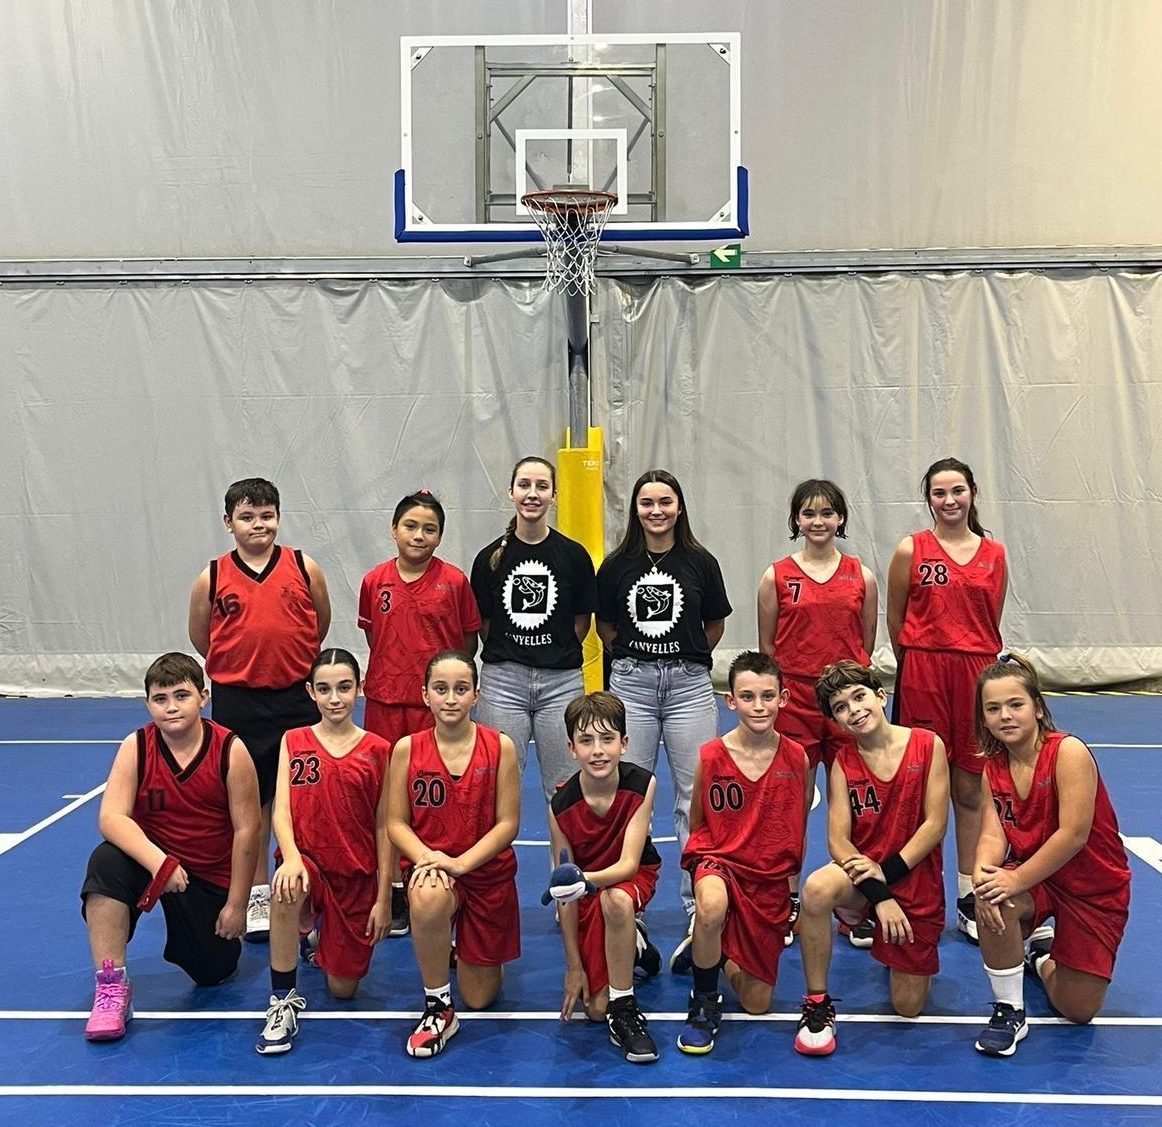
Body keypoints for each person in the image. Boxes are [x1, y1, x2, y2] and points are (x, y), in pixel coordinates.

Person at [79, 653, 260, 1041]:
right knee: (105, 862)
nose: (171, 707)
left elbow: (248, 831)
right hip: (154, 864)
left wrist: (237, 905)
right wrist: (160, 863)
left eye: (181, 695)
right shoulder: (137, 746)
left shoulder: (230, 749)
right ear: (148, 704)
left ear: (203, 697)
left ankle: (208, 939)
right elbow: (111, 817)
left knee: (213, 972)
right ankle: (111, 986)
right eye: (160, 699)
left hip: (207, 877)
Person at [595, 469, 731, 958]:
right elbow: (606, 625)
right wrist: (637, 661)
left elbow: (713, 623)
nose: (656, 511)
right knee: (630, 796)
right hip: (632, 683)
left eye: (665, 502)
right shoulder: (617, 565)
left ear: (679, 507)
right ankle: (629, 908)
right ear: (635, 509)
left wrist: (683, 657)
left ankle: (699, 909)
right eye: (647, 503)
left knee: (695, 796)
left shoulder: (701, 562)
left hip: (689, 687)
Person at [188, 477, 331, 942]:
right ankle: (255, 894)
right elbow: (201, 636)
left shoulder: (304, 567)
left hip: (295, 698)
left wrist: (289, 661)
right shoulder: (212, 576)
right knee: (250, 804)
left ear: (279, 518)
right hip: (239, 702)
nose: (258, 525)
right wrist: (239, 666)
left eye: (266, 516)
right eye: (247, 517)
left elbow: (320, 623)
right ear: (228, 522)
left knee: (302, 798)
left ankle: (304, 890)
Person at [972, 654, 1131, 1057]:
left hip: (1092, 886)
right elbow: (991, 831)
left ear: (1038, 708)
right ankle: (1009, 1010)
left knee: (1077, 1010)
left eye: (1015, 704)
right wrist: (983, 874)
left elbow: (1073, 835)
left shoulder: (1068, 752)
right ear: (984, 719)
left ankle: (1040, 954)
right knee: (992, 897)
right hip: (1038, 879)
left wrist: (1013, 878)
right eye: (993, 708)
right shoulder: (993, 768)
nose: (1005, 716)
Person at [794, 660, 948, 1057]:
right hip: (865, 881)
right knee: (816, 889)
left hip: (913, 877)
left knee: (908, 1007)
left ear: (881, 696)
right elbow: (838, 841)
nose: (854, 710)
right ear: (836, 721)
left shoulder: (928, 745)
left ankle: (903, 950)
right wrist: (880, 894)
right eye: (841, 707)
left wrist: (887, 874)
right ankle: (817, 1002)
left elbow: (934, 825)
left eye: (859, 696)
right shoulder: (844, 763)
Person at [887, 456, 1006, 943]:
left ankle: (969, 893)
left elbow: (990, 619)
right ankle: (915, 890)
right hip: (923, 671)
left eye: (958, 490)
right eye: (939, 492)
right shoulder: (910, 549)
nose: (949, 500)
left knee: (971, 788)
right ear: (929, 498)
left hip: (976, 674)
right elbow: (896, 619)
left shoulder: (994, 553)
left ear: (973, 493)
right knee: (921, 785)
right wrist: (917, 662)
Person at [757, 478, 878, 947]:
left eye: (827, 512)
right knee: (792, 803)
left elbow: (864, 645)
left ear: (840, 518)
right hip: (798, 705)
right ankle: (787, 898)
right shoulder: (776, 577)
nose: (818, 521)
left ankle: (855, 899)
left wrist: (850, 694)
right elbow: (768, 649)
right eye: (809, 513)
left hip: (847, 705)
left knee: (857, 804)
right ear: (796, 520)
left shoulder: (861, 576)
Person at [255, 649, 393, 1055]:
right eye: (325, 689)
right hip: (307, 863)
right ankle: (282, 1000)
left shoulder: (379, 749)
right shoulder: (293, 740)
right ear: (310, 692)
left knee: (343, 989)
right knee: (286, 887)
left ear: (359, 689)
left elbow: (385, 826)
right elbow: (281, 810)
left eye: (344, 688)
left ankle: (317, 934)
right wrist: (290, 856)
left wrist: (385, 896)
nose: (335, 699)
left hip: (356, 875)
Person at [674, 652, 810, 1055]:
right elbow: (698, 821)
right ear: (730, 701)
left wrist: (792, 893)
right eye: (747, 697)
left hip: (766, 875)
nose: (759, 706)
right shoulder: (711, 755)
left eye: (768, 696)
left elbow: (796, 828)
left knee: (756, 1003)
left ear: (783, 698)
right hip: (718, 859)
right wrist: (707, 864)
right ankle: (703, 1001)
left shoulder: (797, 758)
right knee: (711, 906)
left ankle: (710, 950)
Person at [387, 651, 521, 1059]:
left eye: (461, 689)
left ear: (476, 695)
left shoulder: (501, 747)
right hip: (435, 868)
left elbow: (508, 824)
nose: (450, 699)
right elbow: (396, 823)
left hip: (485, 873)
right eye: (440, 689)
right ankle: (438, 1006)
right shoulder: (407, 749)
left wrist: (460, 864)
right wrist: (430, 859)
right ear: (424, 694)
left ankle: (467, 949)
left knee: (480, 998)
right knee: (427, 895)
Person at [360, 490, 481, 936]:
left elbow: (467, 644)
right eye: (410, 526)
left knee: (438, 795)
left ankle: (438, 876)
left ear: (440, 536)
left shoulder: (455, 582)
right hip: (385, 704)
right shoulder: (374, 581)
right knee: (387, 799)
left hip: (435, 709)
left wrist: (439, 689)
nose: (419, 535)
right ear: (394, 530)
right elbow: (376, 638)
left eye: (430, 529)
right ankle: (392, 886)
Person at [471, 456, 598, 803]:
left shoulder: (574, 556)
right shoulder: (488, 559)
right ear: (511, 492)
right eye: (524, 485)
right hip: (503, 683)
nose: (532, 494)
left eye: (542, 486)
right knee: (496, 785)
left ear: (554, 495)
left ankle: (565, 844)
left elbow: (582, 622)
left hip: (561, 683)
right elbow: (485, 623)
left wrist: (551, 652)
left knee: (566, 787)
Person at [546, 691, 662, 1063]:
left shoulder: (642, 784)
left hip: (630, 878)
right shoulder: (560, 806)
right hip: (586, 890)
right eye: (586, 740)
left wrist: (583, 881)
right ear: (571, 748)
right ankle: (636, 946)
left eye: (607, 739)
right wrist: (573, 967)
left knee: (617, 900)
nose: (598, 750)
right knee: (595, 1010)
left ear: (624, 743)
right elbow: (564, 892)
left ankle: (625, 1010)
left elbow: (628, 865)